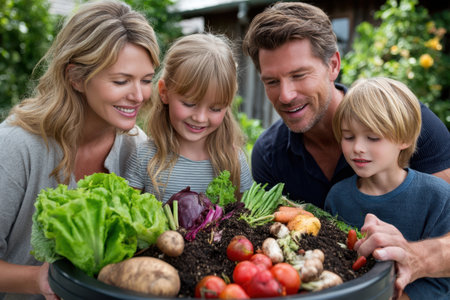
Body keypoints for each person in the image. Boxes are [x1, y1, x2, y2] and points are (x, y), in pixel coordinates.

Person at [241, 1, 450, 298]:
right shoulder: (269, 156)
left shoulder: (405, 121)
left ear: (333, 65)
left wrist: (414, 257)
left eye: (299, 75)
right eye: (272, 81)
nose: (285, 95)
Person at [0, 1, 160, 299]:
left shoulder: (137, 147)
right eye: (121, 80)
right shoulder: (14, 147)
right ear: (75, 77)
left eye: (147, 80)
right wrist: (40, 280)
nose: (138, 96)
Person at [323, 77, 450, 299]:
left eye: (373, 137)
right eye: (348, 136)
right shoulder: (338, 197)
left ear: (405, 139)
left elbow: (441, 283)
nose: (358, 148)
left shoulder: (437, 195)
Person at [124, 33, 253, 203]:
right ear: (164, 92)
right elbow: (127, 214)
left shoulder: (233, 161)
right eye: (189, 104)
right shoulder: (145, 157)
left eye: (215, 108)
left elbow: (246, 217)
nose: (200, 118)